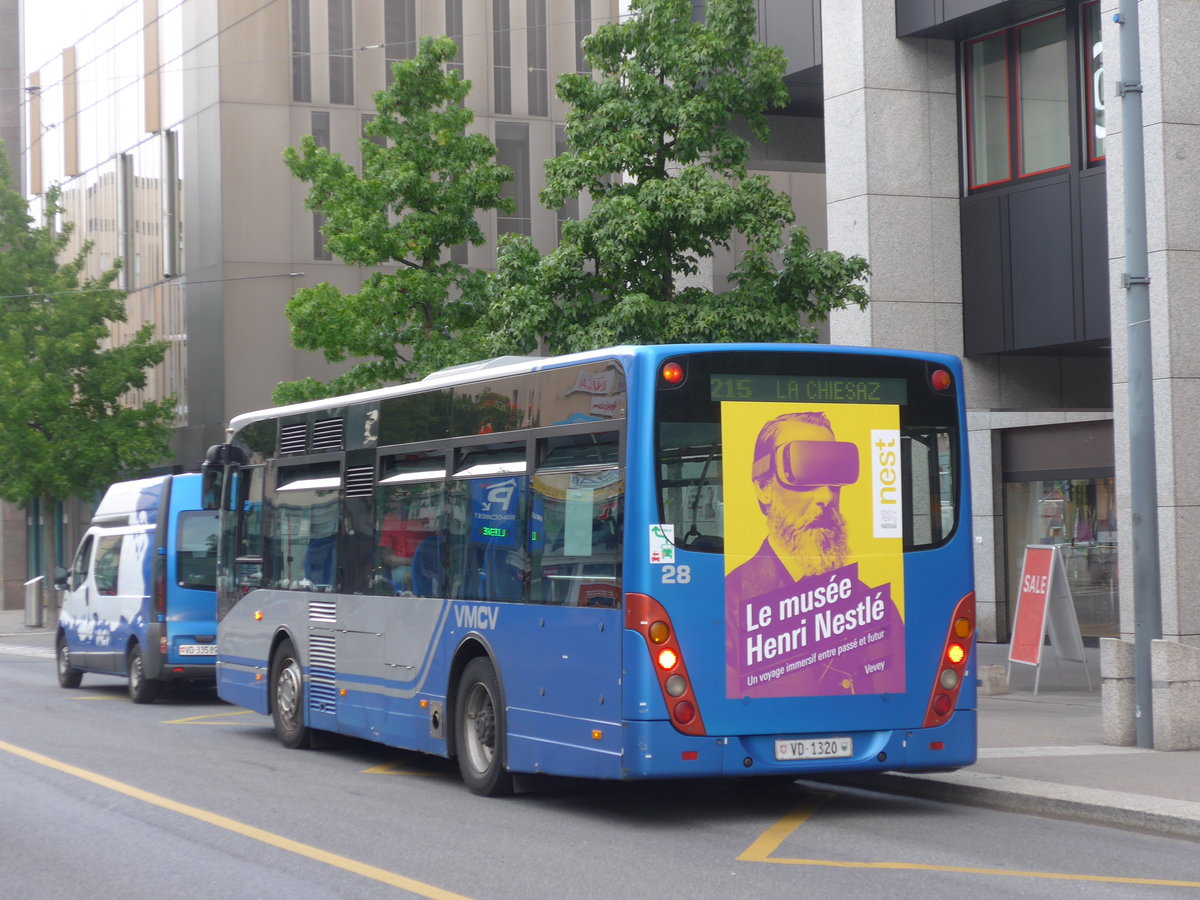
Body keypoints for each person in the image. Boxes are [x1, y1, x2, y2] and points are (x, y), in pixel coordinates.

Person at [726, 410, 859, 599]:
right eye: (804, 474)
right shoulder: (731, 600)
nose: (826, 497)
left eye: (834, 476)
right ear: (764, 487)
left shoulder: (870, 602)